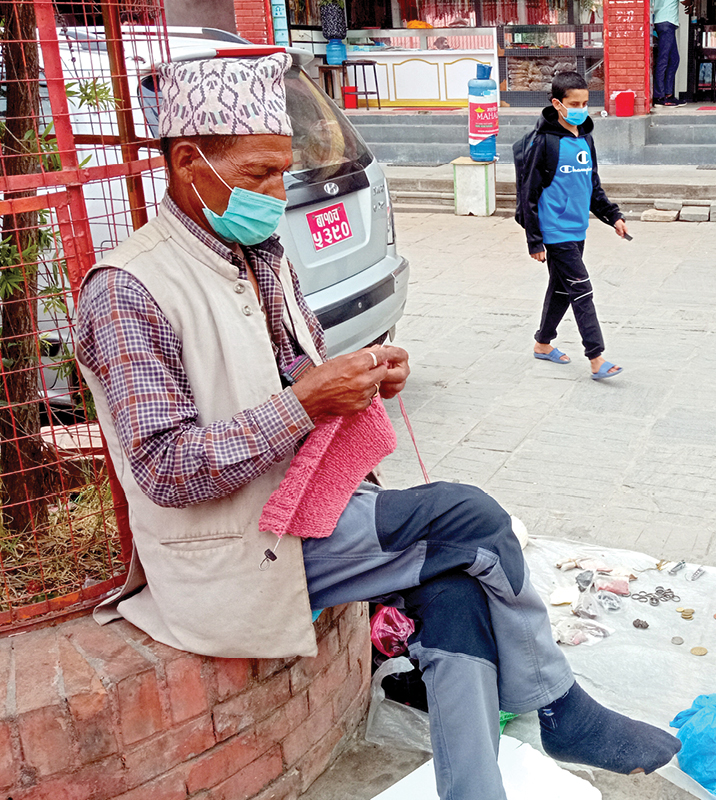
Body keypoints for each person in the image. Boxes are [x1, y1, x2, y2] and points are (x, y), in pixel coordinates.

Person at [75, 53, 679, 799]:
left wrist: (352, 377)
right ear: (189, 163)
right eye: (260, 174)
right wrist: (307, 403)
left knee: (454, 586)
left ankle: (474, 790)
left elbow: (283, 374)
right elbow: (167, 469)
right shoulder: (127, 290)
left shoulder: (259, 250)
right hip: (232, 549)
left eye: (281, 171)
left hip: (304, 505)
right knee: (471, 517)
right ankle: (561, 706)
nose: (276, 193)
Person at [518, 71, 627, 380]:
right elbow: (528, 193)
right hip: (554, 231)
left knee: (561, 290)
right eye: (574, 103)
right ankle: (596, 357)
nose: (581, 108)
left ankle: (542, 343)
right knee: (581, 289)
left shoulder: (586, 139)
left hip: (578, 228)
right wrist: (534, 240)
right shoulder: (545, 143)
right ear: (558, 104)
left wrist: (613, 216)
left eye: (585, 102)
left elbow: (592, 186)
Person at [652, 0, 685, 106]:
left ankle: (668, 94)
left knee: (673, 59)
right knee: (664, 59)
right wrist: (691, 4)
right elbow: (685, 1)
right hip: (668, 22)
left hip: (660, 21)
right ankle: (659, 96)